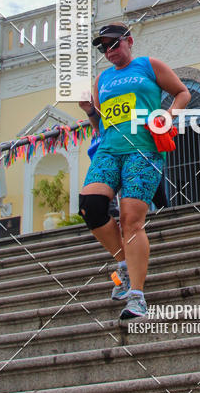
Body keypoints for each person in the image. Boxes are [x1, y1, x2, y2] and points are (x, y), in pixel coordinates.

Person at [78, 23, 190, 319]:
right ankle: (126, 264)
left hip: (143, 148)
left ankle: (137, 296)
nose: (108, 52)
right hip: (109, 149)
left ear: (128, 41)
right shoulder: (102, 78)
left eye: (113, 44)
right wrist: (90, 111)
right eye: (103, 48)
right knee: (91, 206)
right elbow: (99, 125)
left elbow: (183, 93)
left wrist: (167, 117)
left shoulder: (148, 65)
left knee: (130, 219)